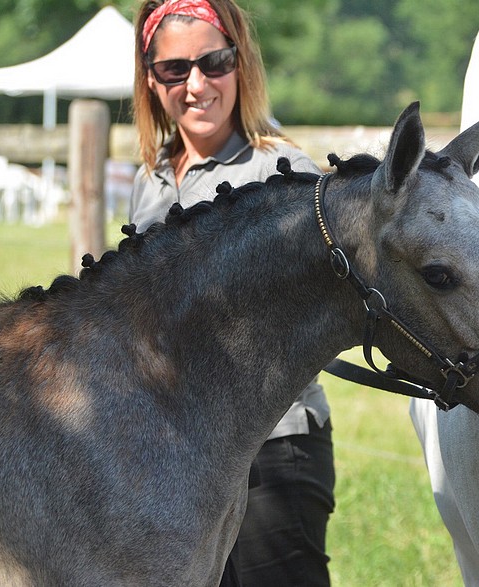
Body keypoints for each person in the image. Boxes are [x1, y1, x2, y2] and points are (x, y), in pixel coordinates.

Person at [129, 1, 335, 585]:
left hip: (270, 449)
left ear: (239, 65)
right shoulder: (147, 182)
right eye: (174, 70)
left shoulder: (284, 173)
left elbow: (317, 320)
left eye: (213, 62)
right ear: (151, 80)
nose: (196, 85)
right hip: (166, 453)